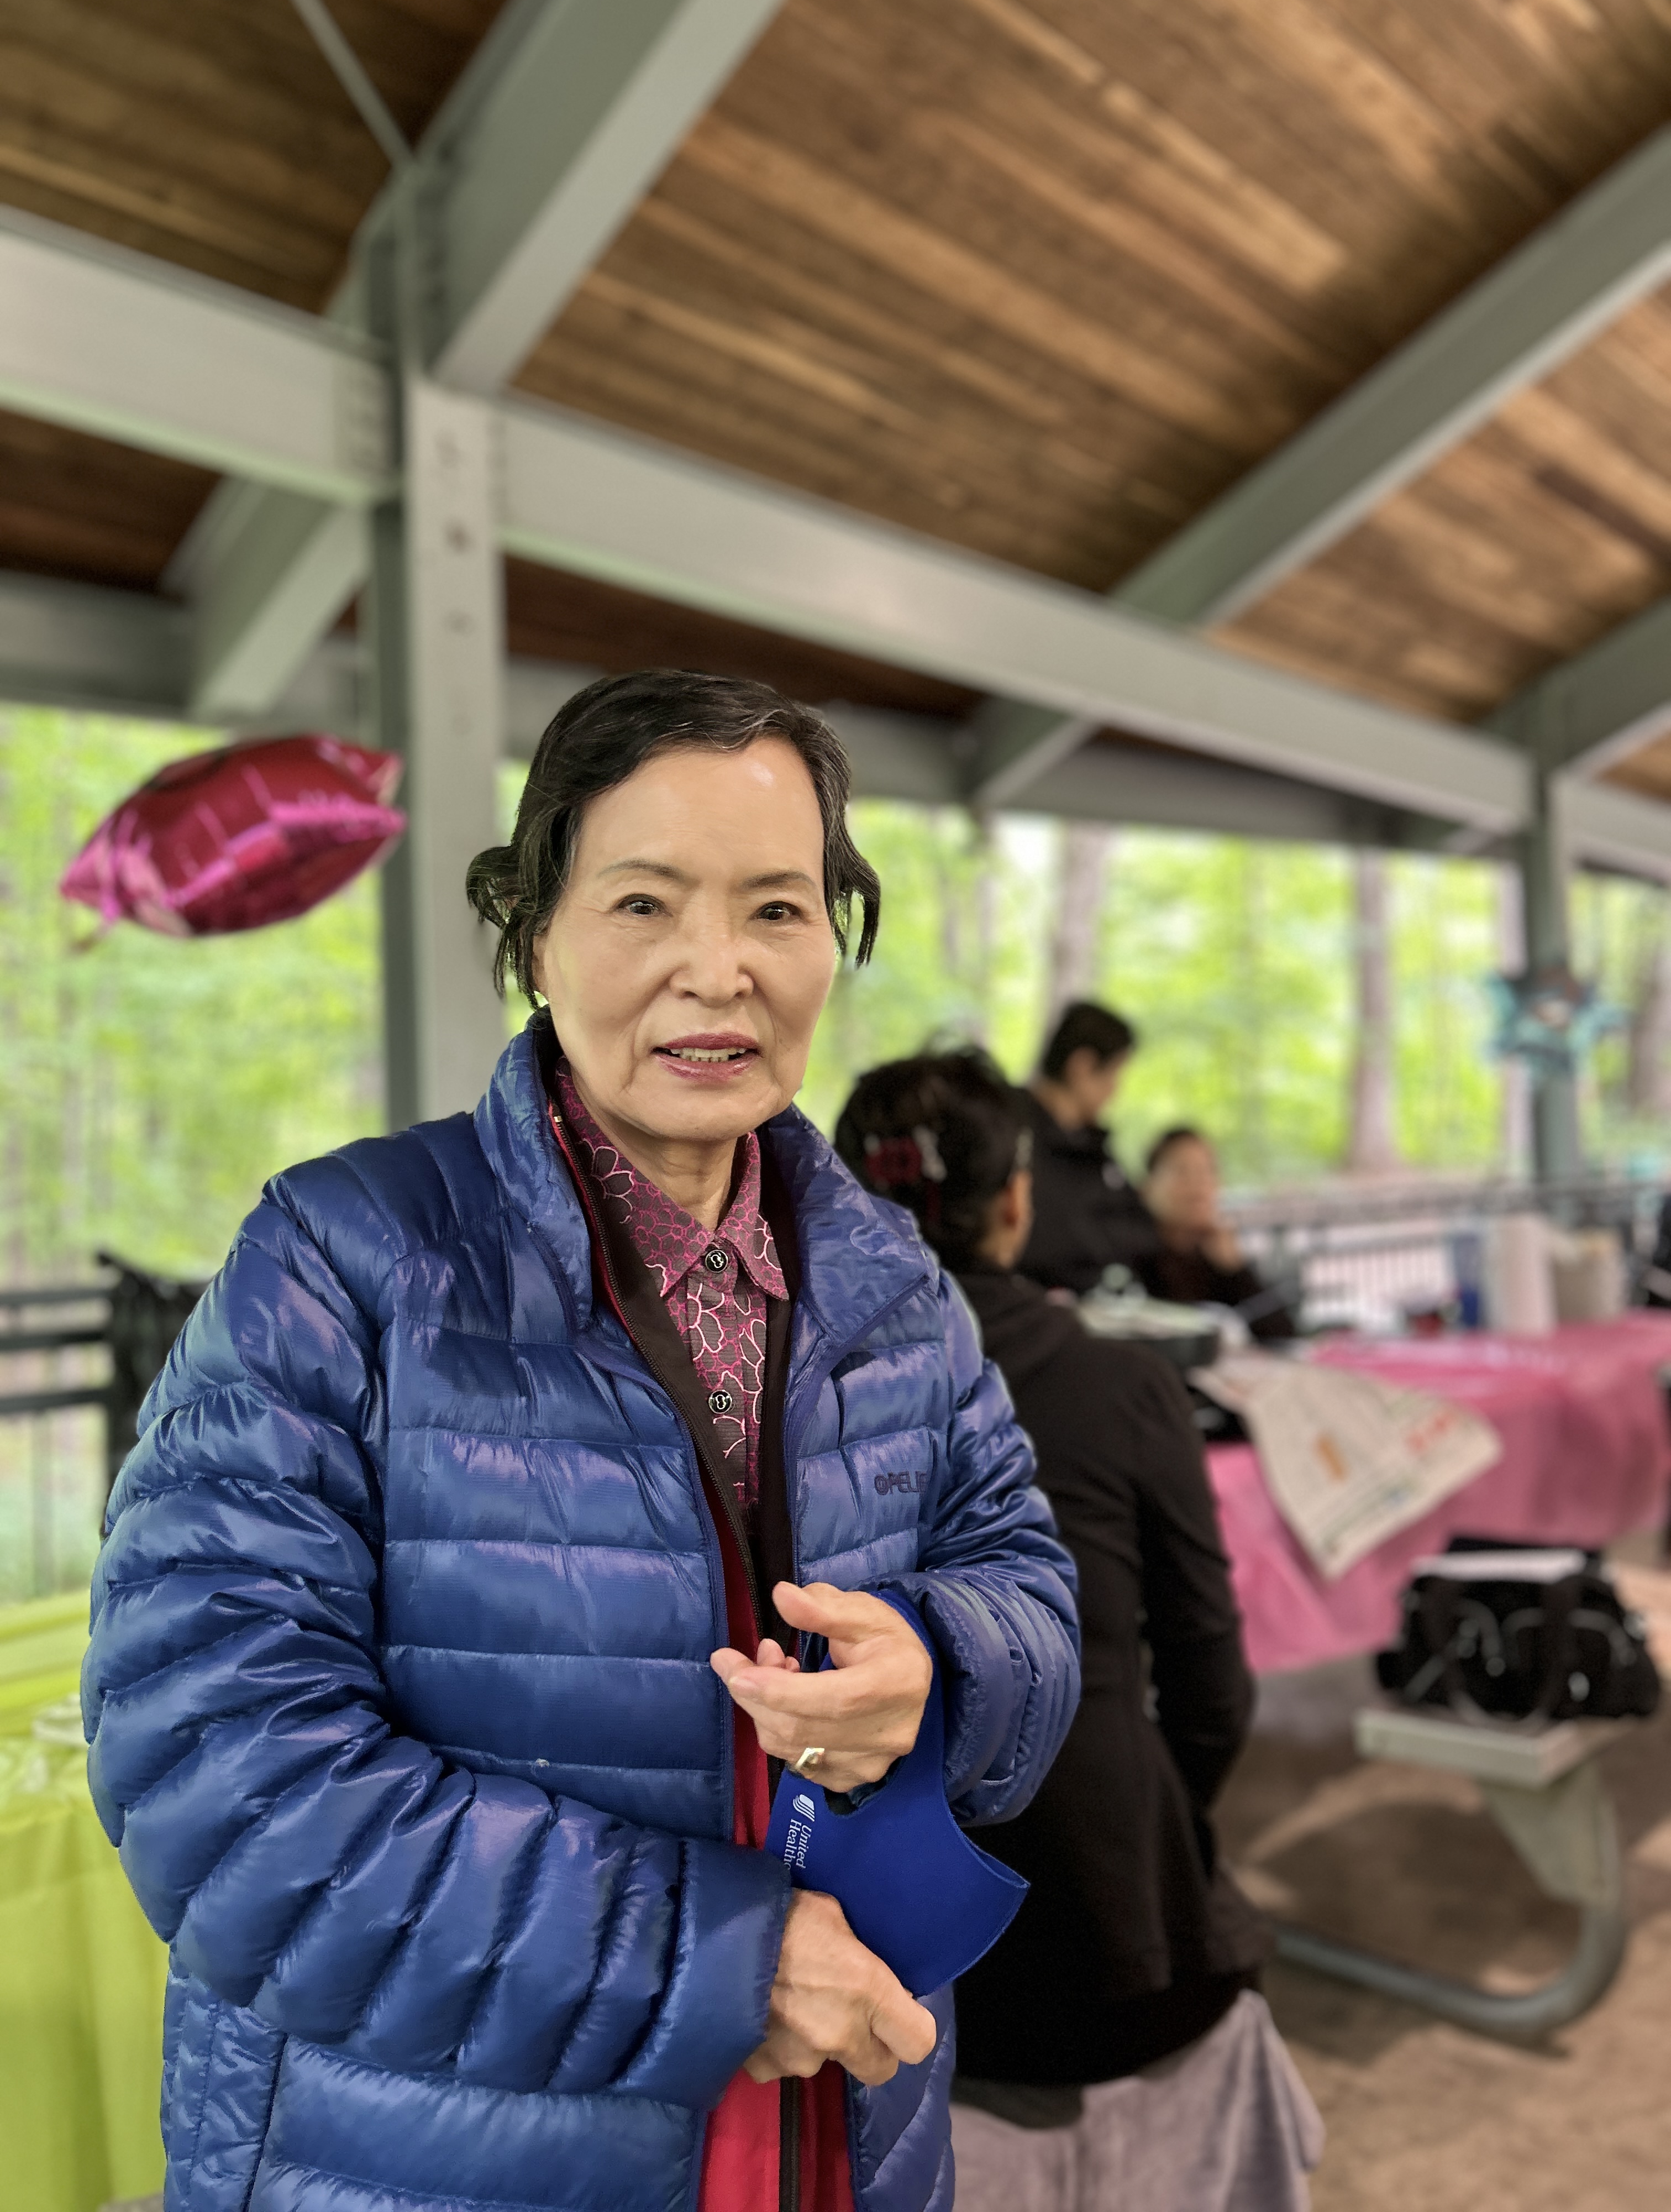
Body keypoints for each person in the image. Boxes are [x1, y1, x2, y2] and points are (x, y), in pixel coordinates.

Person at [82, 673, 1081, 2212]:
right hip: (438, 2160)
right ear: (535, 936)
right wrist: (720, 1964)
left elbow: (1029, 1585)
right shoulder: (341, 1265)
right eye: (642, 904)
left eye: (777, 908)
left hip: (840, 2131)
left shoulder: (893, 1283)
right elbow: (217, 1785)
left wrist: (943, 1676)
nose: (717, 970)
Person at [835, 1052, 1322, 2212]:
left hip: (886, 1943)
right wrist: (1152, 1822)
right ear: (1015, 1200)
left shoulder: (797, 1403)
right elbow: (1211, 1691)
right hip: (1126, 1926)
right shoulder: (1122, 1385)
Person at [1017, 1000, 1157, 1296]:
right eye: (1114, 1074)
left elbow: (1143, 1229)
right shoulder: (1007, 1129)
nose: (1115, 1090)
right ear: (1081, 1066)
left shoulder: (1092, 1146)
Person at [1137, 1125, 1298, 1343]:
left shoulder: (1216, 1256)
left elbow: (1283, 1335)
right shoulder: (1130, 1256)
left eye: (1207, 1170)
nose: (1198, 1185)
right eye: (1182, 1171)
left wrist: (1236, 1270)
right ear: (1147, 1188)